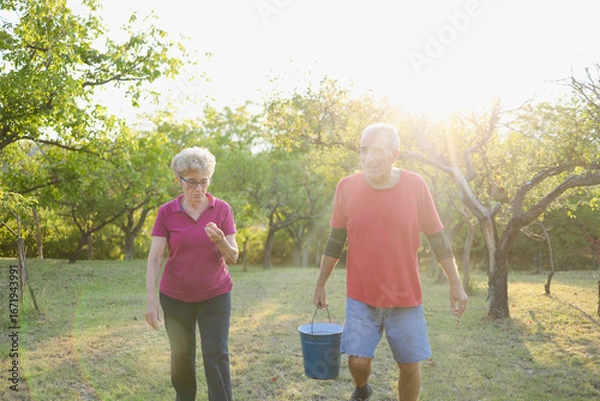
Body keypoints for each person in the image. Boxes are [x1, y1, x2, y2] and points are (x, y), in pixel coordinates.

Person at [312, 123, 468, 401]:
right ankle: (362, 389)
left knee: (408, 365)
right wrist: (321, 284)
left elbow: (437, 238)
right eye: (364, 150)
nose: (369, 157)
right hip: (362, 296)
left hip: (405, 297)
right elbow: (335, 242)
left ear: (395, 155)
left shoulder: (415, 185)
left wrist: (455, 282)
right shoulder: (346, 187)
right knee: (358, 361)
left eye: (378, 150)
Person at [145, 146, 239, 401]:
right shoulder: (166, 212)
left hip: (215, 294)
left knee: (216, 354)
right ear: (179, 180)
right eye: (192, 182)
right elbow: (155, 258)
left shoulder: (222, 210)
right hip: (175, 297)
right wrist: (151, 300)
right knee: (181, 354)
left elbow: (233, 256)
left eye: (204, 181)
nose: (199, 189)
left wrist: (220, 241)